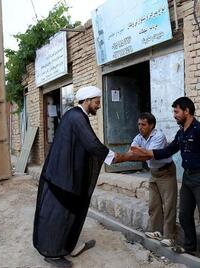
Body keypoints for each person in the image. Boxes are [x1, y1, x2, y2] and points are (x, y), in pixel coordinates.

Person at [130, 97, 200, 268]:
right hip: (188, 177)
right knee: (184, 215)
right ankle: (190, 248)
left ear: (187, 111)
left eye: (176, 111)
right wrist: (148, 153)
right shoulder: (182, 132)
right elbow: (170, 149)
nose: (174, 115)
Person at [33, 85, 118, 268]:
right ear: (86, 101)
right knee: (58, 215)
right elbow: (92, 144)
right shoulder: (77, 117)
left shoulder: (76, 116)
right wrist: (115, 157)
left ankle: (67, 246)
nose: (98, 106)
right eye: (96, 102)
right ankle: (52, 253)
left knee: (69, 214)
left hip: (66, 175)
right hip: (61, 178)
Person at [117, 112, 177, 246]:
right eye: (138, 124)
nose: (140, 127)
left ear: (151, 125)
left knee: (169, 205)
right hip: (154, 173)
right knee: (154, 204)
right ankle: (157, 231)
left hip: (166, 172)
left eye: (143, 124)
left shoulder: (158, 136)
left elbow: (148, 155)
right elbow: (132, 151)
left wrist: (133, 154)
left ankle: (170, 236)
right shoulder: (139, 137)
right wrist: (123, 156)